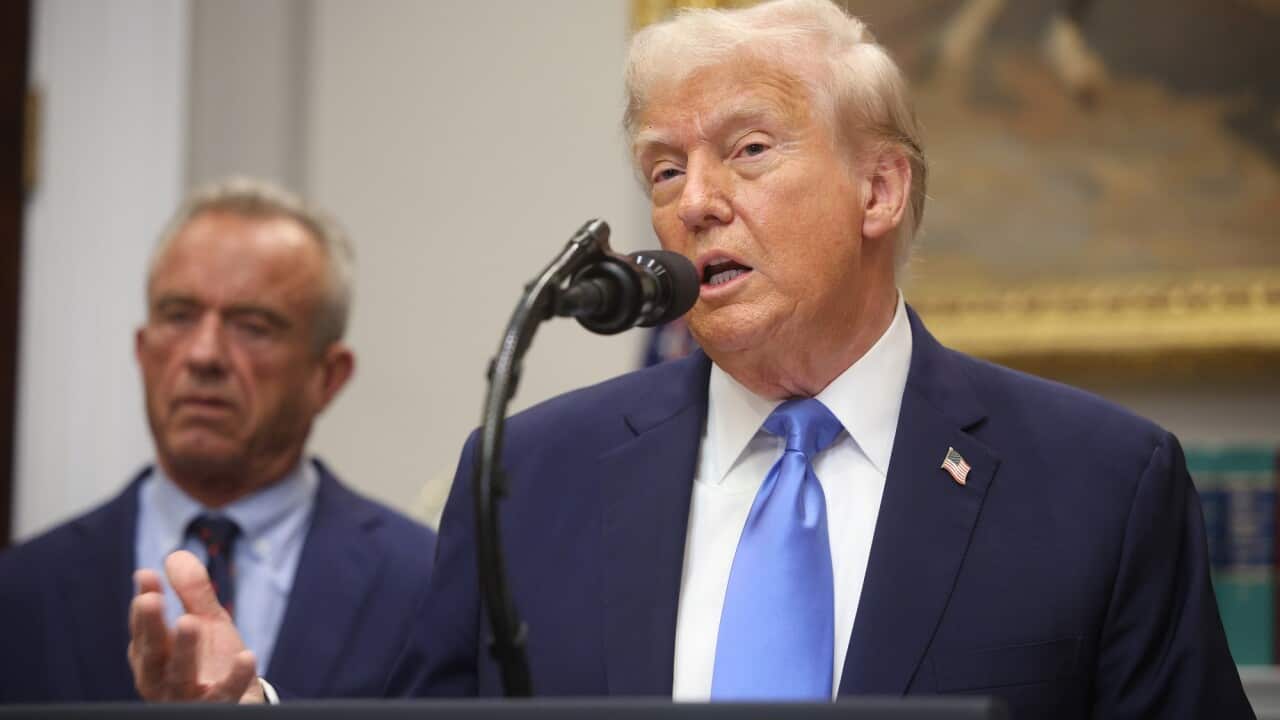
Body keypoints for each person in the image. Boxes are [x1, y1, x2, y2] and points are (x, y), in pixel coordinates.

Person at [127, 1, 1252, 716]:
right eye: (663, 172)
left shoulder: (1099, 483)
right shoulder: (529, 477)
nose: (695, 202)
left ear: (879, 187)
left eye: (747, 152)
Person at [0, 177, 437, 703]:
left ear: (329, 376)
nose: (204, 354)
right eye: (178, 316)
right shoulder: (22, 587)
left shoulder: (425, 584)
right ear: (142, 352)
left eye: (252, 326)